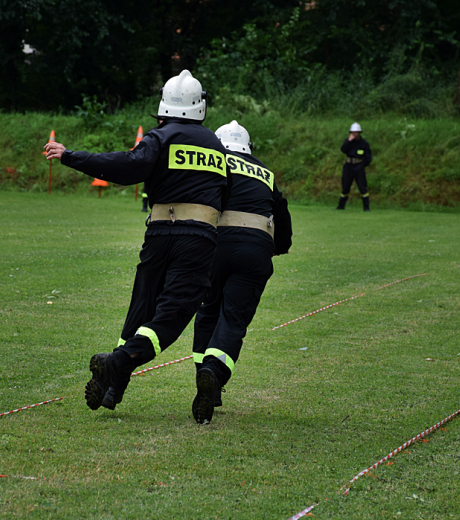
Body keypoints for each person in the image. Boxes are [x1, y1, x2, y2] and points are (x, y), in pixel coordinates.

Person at [45, 70, 231, 412]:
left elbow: (127, 166)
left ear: (164, 107)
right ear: (200, 107)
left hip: (158, 233)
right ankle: (118, 362)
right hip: (198, 239)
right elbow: (228, 196)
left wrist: (72, 156)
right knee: (172, 313)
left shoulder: (160, 137)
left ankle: (115, 387)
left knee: (141, 308)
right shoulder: (217, 146)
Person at [191, 120, 292, 424]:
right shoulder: (265, 172)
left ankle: (204, 377)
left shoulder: (213, 161)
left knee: (208, 311)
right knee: (233, 318)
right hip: (255, 247)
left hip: (214, 246)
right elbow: (281, 209)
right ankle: (214, 373)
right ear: (249, 148)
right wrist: (279, 247)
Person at [337, 122, 372, 211]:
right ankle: (341, 206)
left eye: (356, 132)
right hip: (349, 166)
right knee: (345, 186)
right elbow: (343, 150)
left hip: (359, 166)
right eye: (352, 132)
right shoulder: (348, 141)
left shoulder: (364, 143)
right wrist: (349, 141)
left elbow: (368, 157)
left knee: (362, 187)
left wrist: (362, 165)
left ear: (359, 132)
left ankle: (366, 207)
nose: (354, 134)